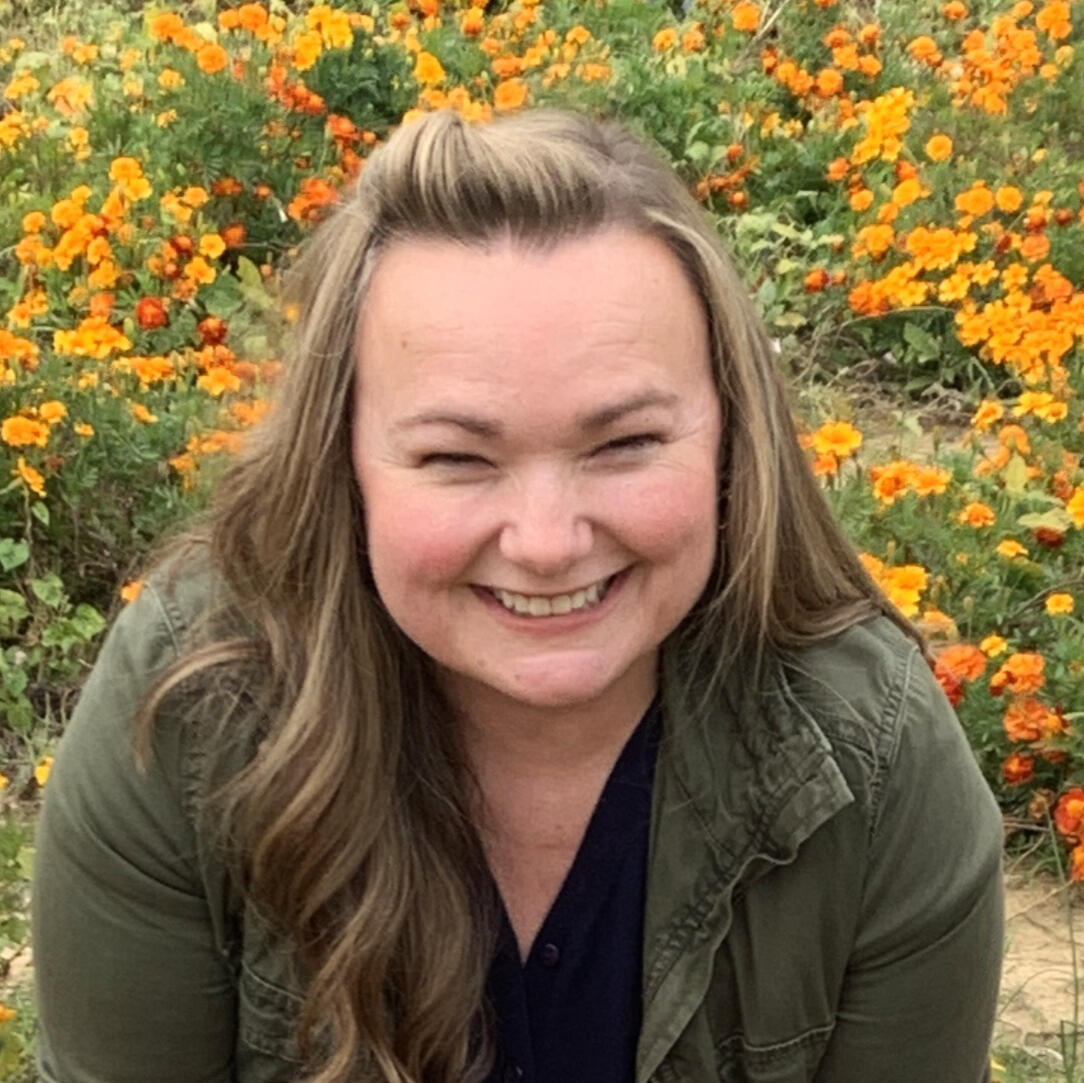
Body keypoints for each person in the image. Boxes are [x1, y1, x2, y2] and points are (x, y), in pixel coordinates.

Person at [33, 108, 1004, 1083]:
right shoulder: (190, 711)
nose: (545, 543)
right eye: (456, 456)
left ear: (728, 439)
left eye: (623, 443)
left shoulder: (872, 758)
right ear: (343, 464)